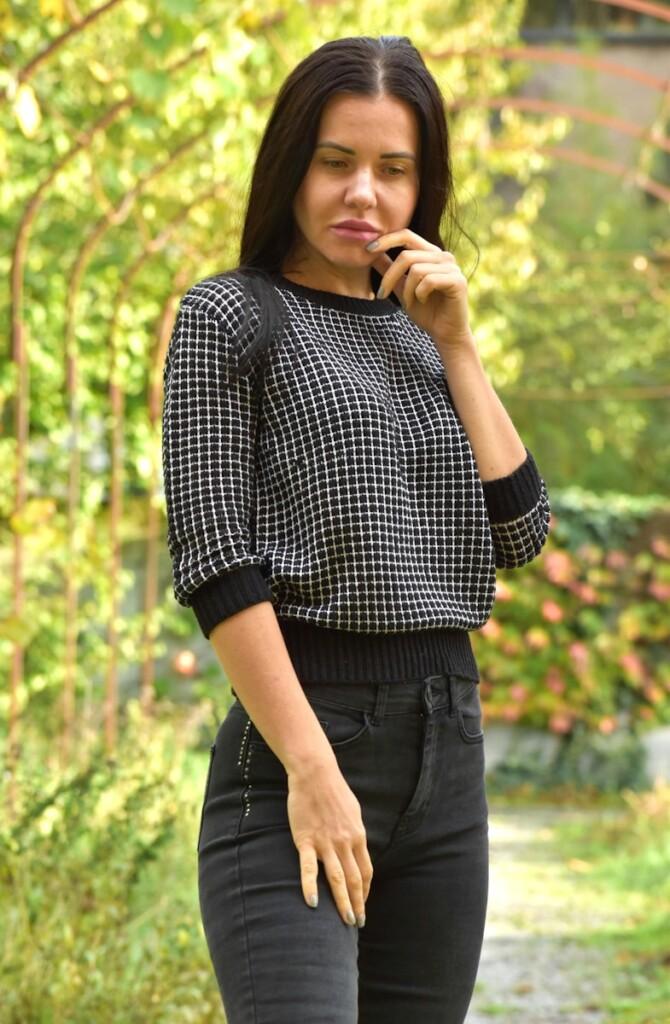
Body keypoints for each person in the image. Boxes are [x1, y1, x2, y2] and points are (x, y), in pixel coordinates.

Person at [161, 34, 551, 1024]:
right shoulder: (230, 316)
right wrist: (312, 769)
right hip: (302, 737)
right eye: (336, 161)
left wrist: (457, 344)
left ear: (426, 184)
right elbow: (217, 564)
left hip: (446, 745)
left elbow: (523, 526)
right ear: (292, 161)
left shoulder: (428, 329)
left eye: (393, 169)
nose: (362, 195)